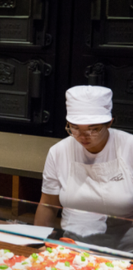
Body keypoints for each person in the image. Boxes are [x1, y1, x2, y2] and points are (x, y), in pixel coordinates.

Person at [34, 86, 133, 239]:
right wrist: (37, 243)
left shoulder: (129, 147)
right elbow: (48, 204)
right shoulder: (59, 151)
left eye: (93, 129)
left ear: (109, 123)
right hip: (71, 249)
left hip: (124, 250)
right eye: (74, 128)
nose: (82, 136)